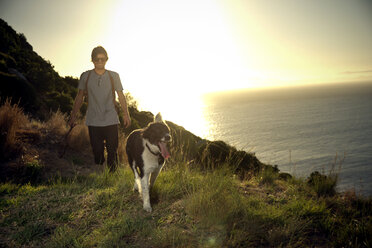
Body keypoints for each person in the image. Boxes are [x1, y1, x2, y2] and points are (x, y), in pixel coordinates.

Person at [68, 46, 131, 172]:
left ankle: (112, 179)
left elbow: (121, 96)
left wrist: (126, 114)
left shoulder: (114, 76)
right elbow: (79, 96)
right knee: (97, 152)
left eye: (103, 59)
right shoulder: (85, 76)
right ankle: (102, 171)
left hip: (111, 119)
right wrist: (73, 115)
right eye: (97, 59)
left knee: (112, 151)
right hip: (93, 120)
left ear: (106, 59)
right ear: (92, 60)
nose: (100, 61)